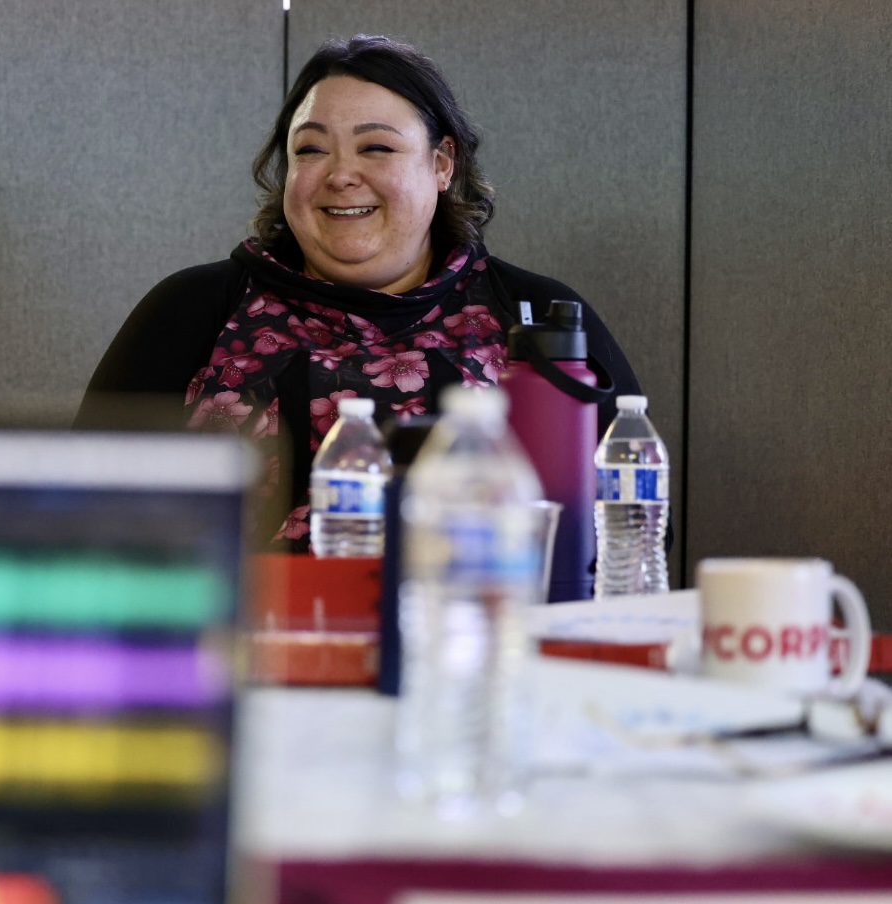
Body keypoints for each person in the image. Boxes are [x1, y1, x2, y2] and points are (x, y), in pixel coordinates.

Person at [75, 35, 642, 545]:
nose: (340, 174)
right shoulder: (193, 310)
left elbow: (632, 525)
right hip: (239, 651)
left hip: (479, 640)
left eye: (376, 148)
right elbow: (73, 508)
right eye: (311, 150)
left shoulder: (535, 317)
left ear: (442, 164)